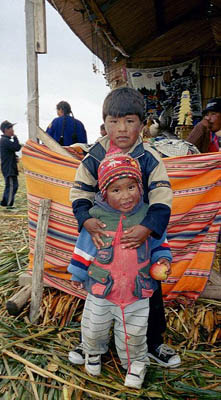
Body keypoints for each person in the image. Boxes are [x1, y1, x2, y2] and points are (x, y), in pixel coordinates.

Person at [69, 87, 181, 369]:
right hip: (105, 237)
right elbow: (79, 191)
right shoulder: (94, 156)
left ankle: (153, 342)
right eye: (114, 121)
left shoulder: (149, 159)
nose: (121, 129)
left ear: (142, 126)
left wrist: (148, 228)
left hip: (140, 236)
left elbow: (162, 196)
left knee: (149, 289)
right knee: (97, 288)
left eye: (130, 121)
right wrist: (86, 219)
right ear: (103, 123)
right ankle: (92, 344)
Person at [68, 153, 173, 389]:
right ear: (104, 192)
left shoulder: (147, 216)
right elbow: (84, 249)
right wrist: (77, 273)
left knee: (134, 332)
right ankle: (92, 352)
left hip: (137, 290)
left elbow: (159, 244)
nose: (126, 195)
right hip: (101, 288)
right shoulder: (95, 218)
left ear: (140, 186)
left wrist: (163, 261)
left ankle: (135, 363)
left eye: (131, 187)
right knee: (94, 325)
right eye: (116, 190)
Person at [0, 120, 21, 209]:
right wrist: (15, 138)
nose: (13, 130)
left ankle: (4, 202)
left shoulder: (5, 140)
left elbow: (9, 152)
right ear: (6, 130)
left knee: (10, 185)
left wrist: (14, 157)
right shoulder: (5, 140)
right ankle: (9, 204)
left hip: (8, 167)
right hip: (9, 168)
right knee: (13, 185)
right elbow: (16, 147)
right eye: (11, 128)